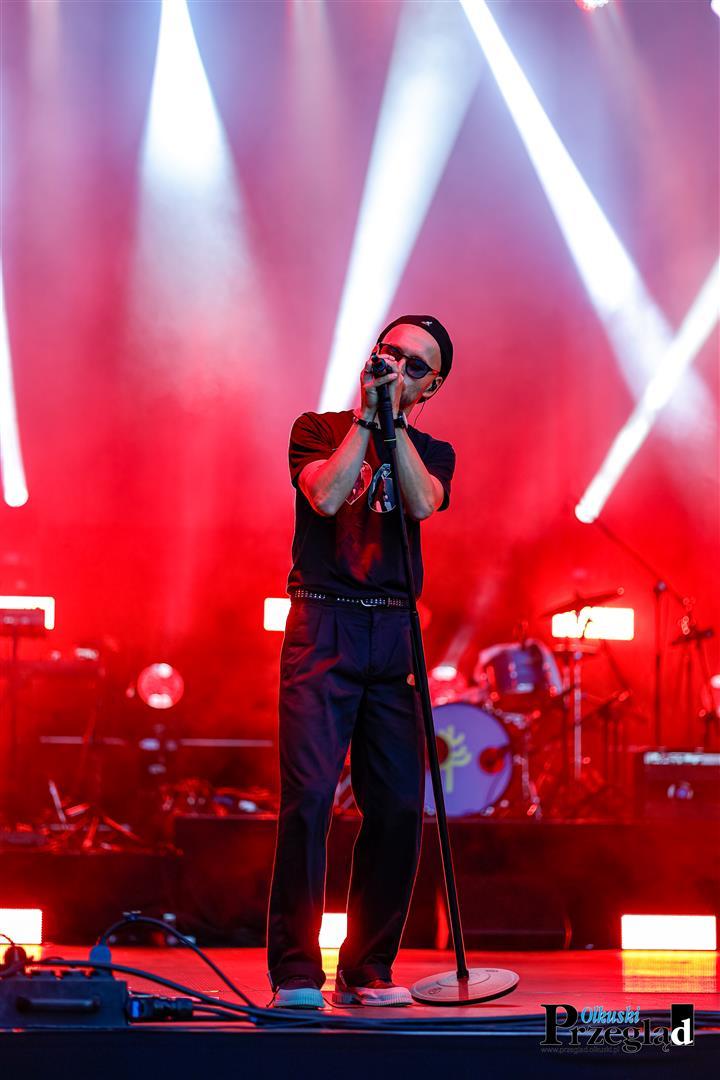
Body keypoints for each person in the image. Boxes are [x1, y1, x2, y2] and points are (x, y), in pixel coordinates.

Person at [267, 315, 456, 1008]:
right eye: (390, 353)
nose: (398, 367)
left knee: (400, 804)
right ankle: (295, 971)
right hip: (324, 621)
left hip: (394, 628)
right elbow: (323, 495)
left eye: (415, 365)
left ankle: (367, 966)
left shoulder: (432, 450)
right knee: (311, 798)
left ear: (431, 387)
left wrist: (393, 424)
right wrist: (367, 419)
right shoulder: (317, 429)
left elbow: (422, 504)